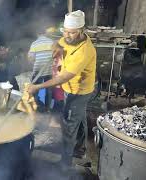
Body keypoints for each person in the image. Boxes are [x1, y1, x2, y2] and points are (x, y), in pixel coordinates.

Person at [27, 10, 96, 169]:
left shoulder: (84, 51)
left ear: (81, 31)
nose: (67, 35)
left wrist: (37, 86)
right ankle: (80, 148)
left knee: (69, 124)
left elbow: (63, 77)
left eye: (71, 33)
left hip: (79, 91)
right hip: (70, 88)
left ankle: (65, 163)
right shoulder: (68, 39)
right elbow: (59, 43)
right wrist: (57, 48)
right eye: (65, 31)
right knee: (80, 118)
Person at [28, 27, 57, 112]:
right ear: (45, 34)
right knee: (48, 89)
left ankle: (36, 107)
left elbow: (31, 58)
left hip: (38, 71)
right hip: (49, 70)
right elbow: (55, 56)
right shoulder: (51, 42)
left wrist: (32, 60)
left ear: (37, 34)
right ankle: (48, 108)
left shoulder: (35, 43)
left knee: (35, 89)